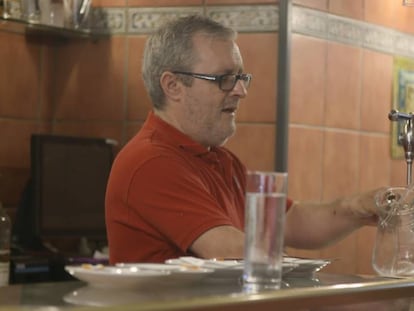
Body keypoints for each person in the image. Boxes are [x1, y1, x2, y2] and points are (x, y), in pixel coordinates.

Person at [105, 14, 379, 264]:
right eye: (224, 78)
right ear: (173, 86)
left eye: (240, 77)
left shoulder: (220, 159)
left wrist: (358, 207)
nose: (240, 90)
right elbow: (230, 250)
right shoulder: (151, 162)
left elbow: (288, 222)